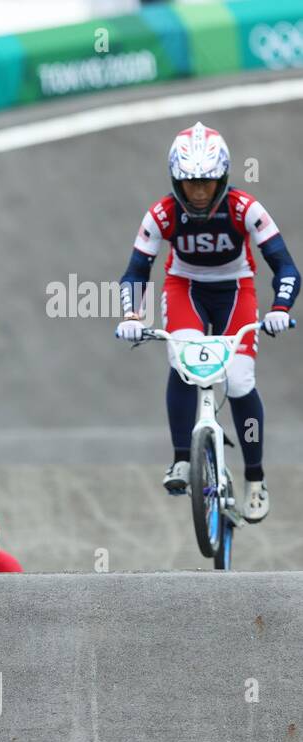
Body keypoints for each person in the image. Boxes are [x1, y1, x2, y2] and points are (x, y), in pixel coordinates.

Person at [115, 122, 298, 522]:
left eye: (207, 182)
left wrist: (280, 309)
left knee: (238, 380)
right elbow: (135, 273)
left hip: (237, 290)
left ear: (223, 178)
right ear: (176, 182)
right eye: (190, 183)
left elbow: (285, 267)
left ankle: (255, 477)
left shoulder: (246, 208)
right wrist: (132, 314)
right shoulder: (161, 214)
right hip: (186, 289)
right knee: (183, 363)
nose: (199, 192)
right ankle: (182, 457)